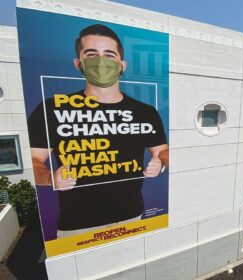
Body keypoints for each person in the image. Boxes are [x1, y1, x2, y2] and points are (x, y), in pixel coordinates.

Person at [28, 24, 168, 238]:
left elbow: (164, 151)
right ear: (78, 63)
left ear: (122, 65)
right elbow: (34, 161)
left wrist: (161, 162)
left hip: (131, 216)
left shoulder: (145, 112)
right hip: (76, 226)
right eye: (91, 54)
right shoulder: (52, 109)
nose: (101, 62)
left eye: (109, 55)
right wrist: (50, 178)